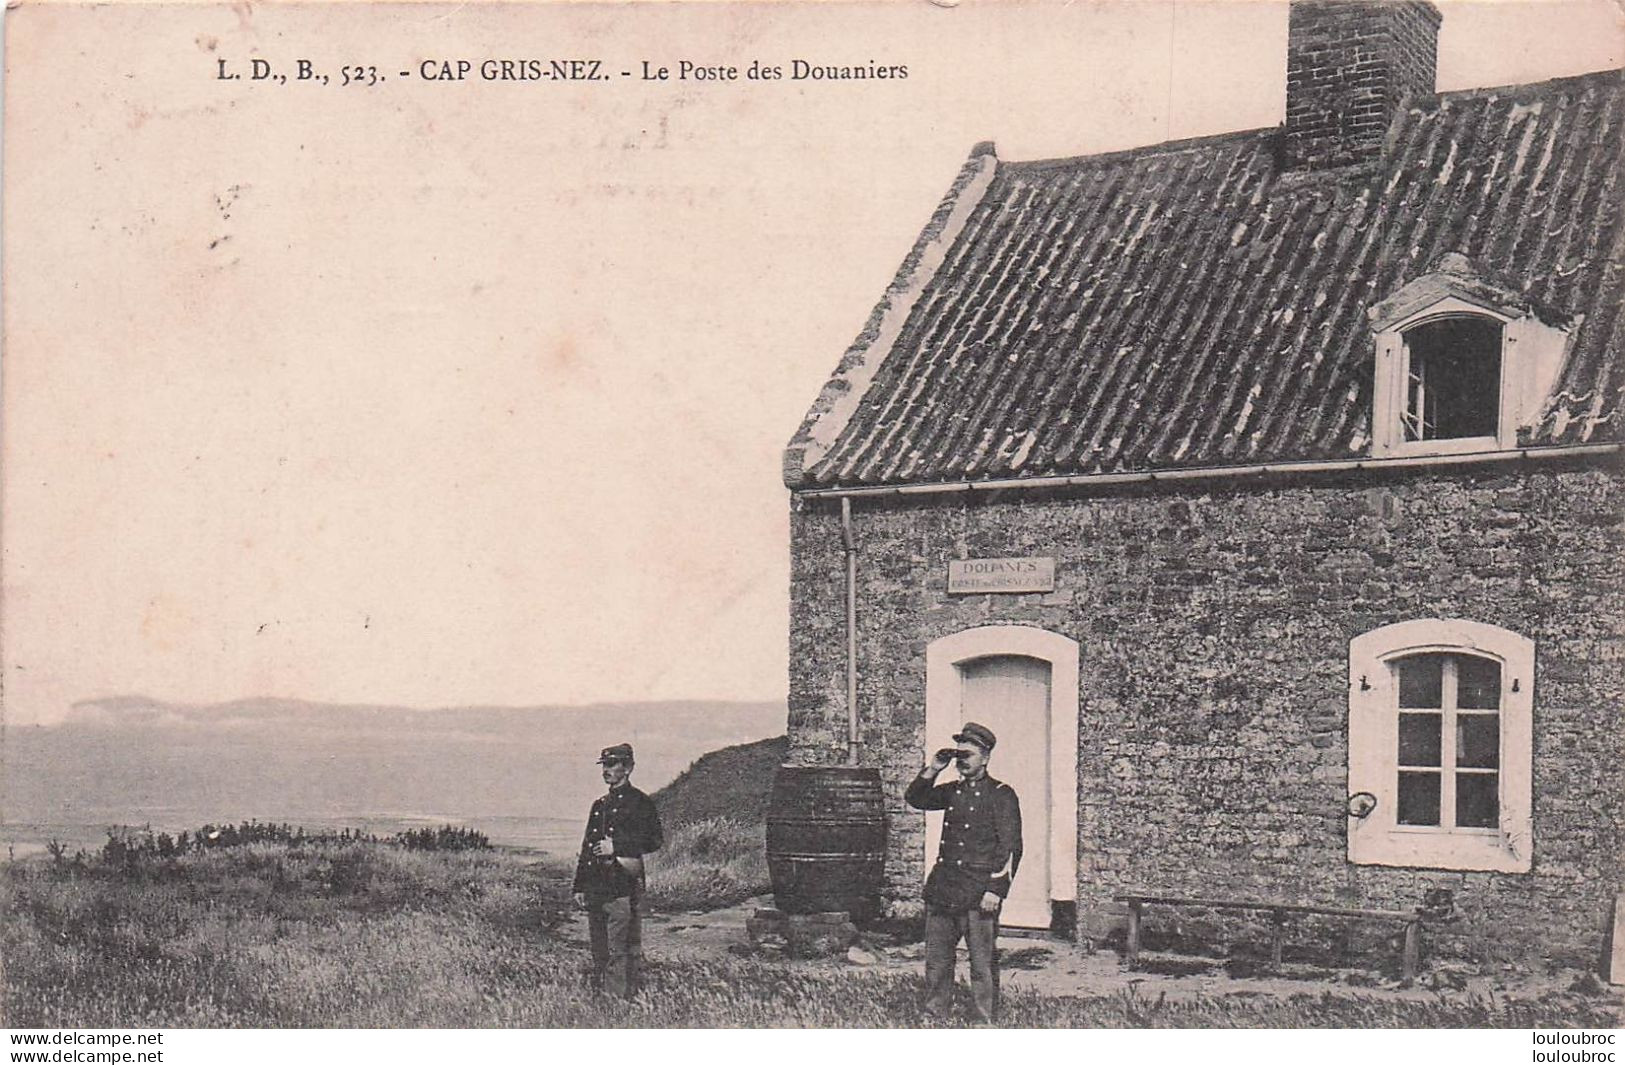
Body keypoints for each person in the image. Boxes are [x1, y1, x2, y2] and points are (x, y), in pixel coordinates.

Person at [904, 721, 1022, 1024]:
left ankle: (984, 1019)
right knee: (937, 960)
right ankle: (934, 1013)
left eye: (967, 755)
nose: (962, 762)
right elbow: (916, 799)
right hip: (944, 888)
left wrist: (995, 890)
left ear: (985, 757)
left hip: (978, 891)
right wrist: (934, 768)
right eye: (959, 756)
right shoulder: (953, 790)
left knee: (981, 963)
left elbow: (1010, 847)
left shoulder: (1001, 794)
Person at [572, 742, 663, 997]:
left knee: (620, 949)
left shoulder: (640, 802)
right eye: (605, 765)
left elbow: (655, 840)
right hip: (597, 887)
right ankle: (603, 999)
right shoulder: (599, 805)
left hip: (622, 885)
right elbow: (588, 846)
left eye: (612, 765)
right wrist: (579, 885)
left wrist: (618, 846)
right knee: (599, 950)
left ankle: (618, 1003)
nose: (606, 771)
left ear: (629, 768)